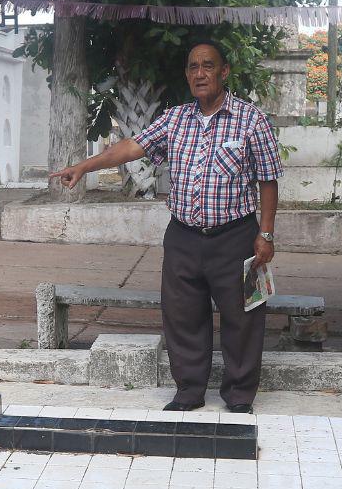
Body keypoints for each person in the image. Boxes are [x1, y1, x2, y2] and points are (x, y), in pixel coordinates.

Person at [50, 40, 281, 413]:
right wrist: (85, 166)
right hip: (184, 238)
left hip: (236, 238)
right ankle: (189, 391)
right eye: (193, 67)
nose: (200, 73)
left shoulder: (250, 120)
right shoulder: (176, 119)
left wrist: (265, 234)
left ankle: (239, 396)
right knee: (182, 315)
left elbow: (268, 180)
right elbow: (129, 147)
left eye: (208, 66)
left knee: (243, 318)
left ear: (223, 72)